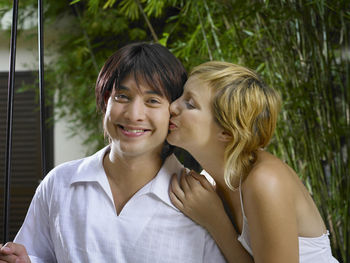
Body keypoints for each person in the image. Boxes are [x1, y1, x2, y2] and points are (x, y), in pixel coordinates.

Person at [0, 43, 226, 263]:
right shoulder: (59, 182)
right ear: (106, 100)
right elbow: (38, 255)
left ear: (173, 112)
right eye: (122, 97)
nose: (133, 114)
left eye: (152, 101)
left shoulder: (199, 201)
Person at [168, 61, 339, 263]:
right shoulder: (211, 182)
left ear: (227, 132)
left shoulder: (265, 181)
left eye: (190, 104)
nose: (172, 106)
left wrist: (215, 221)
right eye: (181, 96)